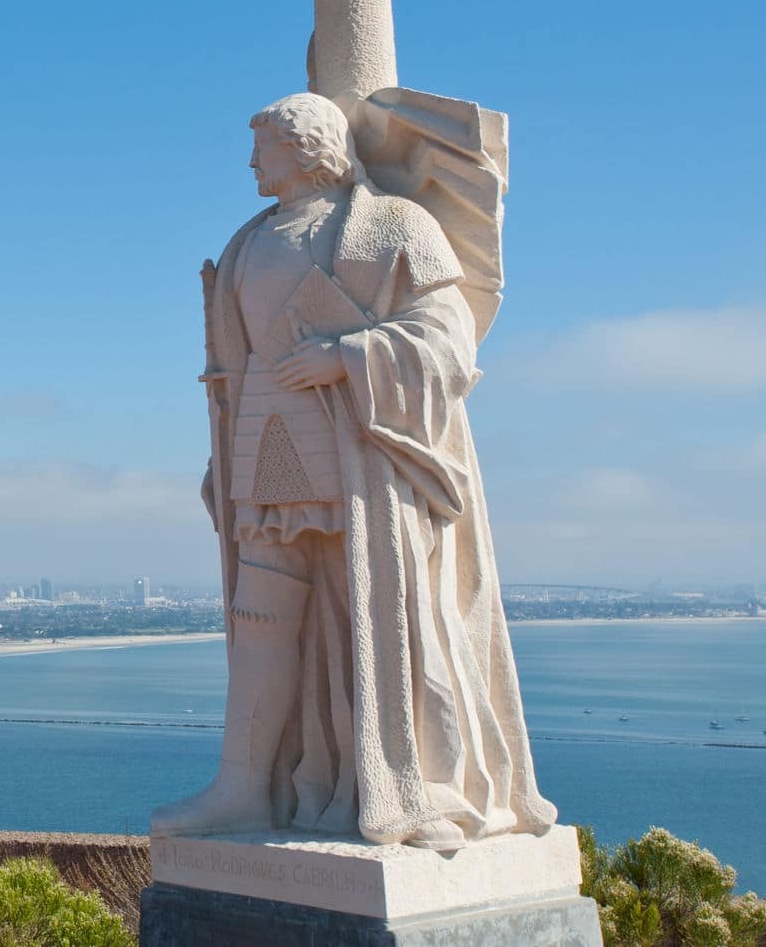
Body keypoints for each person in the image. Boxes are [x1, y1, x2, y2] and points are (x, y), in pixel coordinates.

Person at [151, 92, 556, 850]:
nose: (250, 161)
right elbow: (235, 368)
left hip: (359, 451)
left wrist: (347, 357)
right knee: (260, 612)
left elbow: (448, 331)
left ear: (308, 147)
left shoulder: (395, 224)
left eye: (264, 145)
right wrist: (223, 454)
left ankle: (403, 785)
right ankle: (241, 784)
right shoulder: (245, 243)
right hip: (266, 446)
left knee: (383, 614)